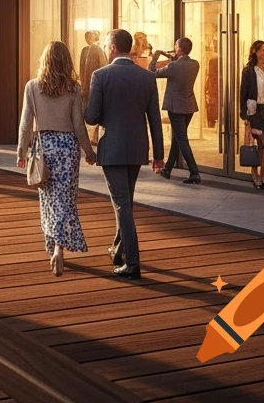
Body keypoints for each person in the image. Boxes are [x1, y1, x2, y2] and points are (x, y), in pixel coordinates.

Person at [84, 29, 165, 279]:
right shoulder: (147, 77)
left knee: (122, 205)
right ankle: (118, 251)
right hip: (138, 147)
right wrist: (159, 155)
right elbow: (154, 119)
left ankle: (132, 263)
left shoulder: (100, 75)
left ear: (112, 48)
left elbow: (92, 116)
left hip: (113, 150)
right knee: (125, 203)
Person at [17, 42, 97, 277]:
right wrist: (89, 152)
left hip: (44, 148)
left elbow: (25, 124)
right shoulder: (73, 88)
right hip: (67, 149)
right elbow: (78, 126)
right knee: (66, 199)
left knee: (49, 200)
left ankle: (53, 245)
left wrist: (22, 152)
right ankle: (59, 247)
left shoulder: (32, 87)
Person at [149, 37, 201, 183]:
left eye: (175, 47)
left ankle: (194, 172)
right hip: (189, 106)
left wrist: (156, 56)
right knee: (178, 137)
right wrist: (173, 57)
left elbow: (151, 72)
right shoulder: (195, 64)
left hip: (175, 107)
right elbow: (180, 65)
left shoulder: (173, 67)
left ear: (178, 48)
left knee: (181, 138)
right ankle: (167, 169)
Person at [240, 39, 264, 190]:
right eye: (262, 50)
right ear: (255, 52)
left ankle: (263, 174)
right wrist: (244, 115)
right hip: (254, 110)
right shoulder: (248, 70)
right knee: (255, 142)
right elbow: (243, 93)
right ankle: (254, 173)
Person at [79, 31, 107, 108]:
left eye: (90, 36)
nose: (88, 39)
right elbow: (81, 68)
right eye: (86, 37)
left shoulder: (99, 50)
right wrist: (83, 83)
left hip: (95, 82)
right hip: (86, 83)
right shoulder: (85, 50)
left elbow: (102, 66)